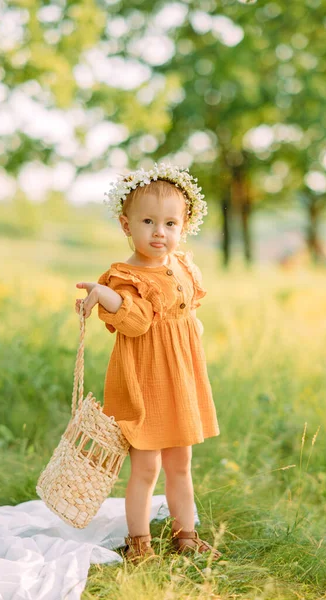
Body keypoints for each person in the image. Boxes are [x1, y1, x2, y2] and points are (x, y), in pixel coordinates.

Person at [75, 163, 221, 564]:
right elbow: (137, 321)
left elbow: (187, 304)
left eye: (170, 223)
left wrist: (190, 327)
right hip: (146, 380)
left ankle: (185, 534)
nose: (160, 231)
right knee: (145, 465)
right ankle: (139, 541)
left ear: (184, 224)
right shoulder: (125, 277)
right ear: (126, 224)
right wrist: (105, 295)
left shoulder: (181, 265)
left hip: (181, 378)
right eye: (148, 221)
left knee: (181, 461)